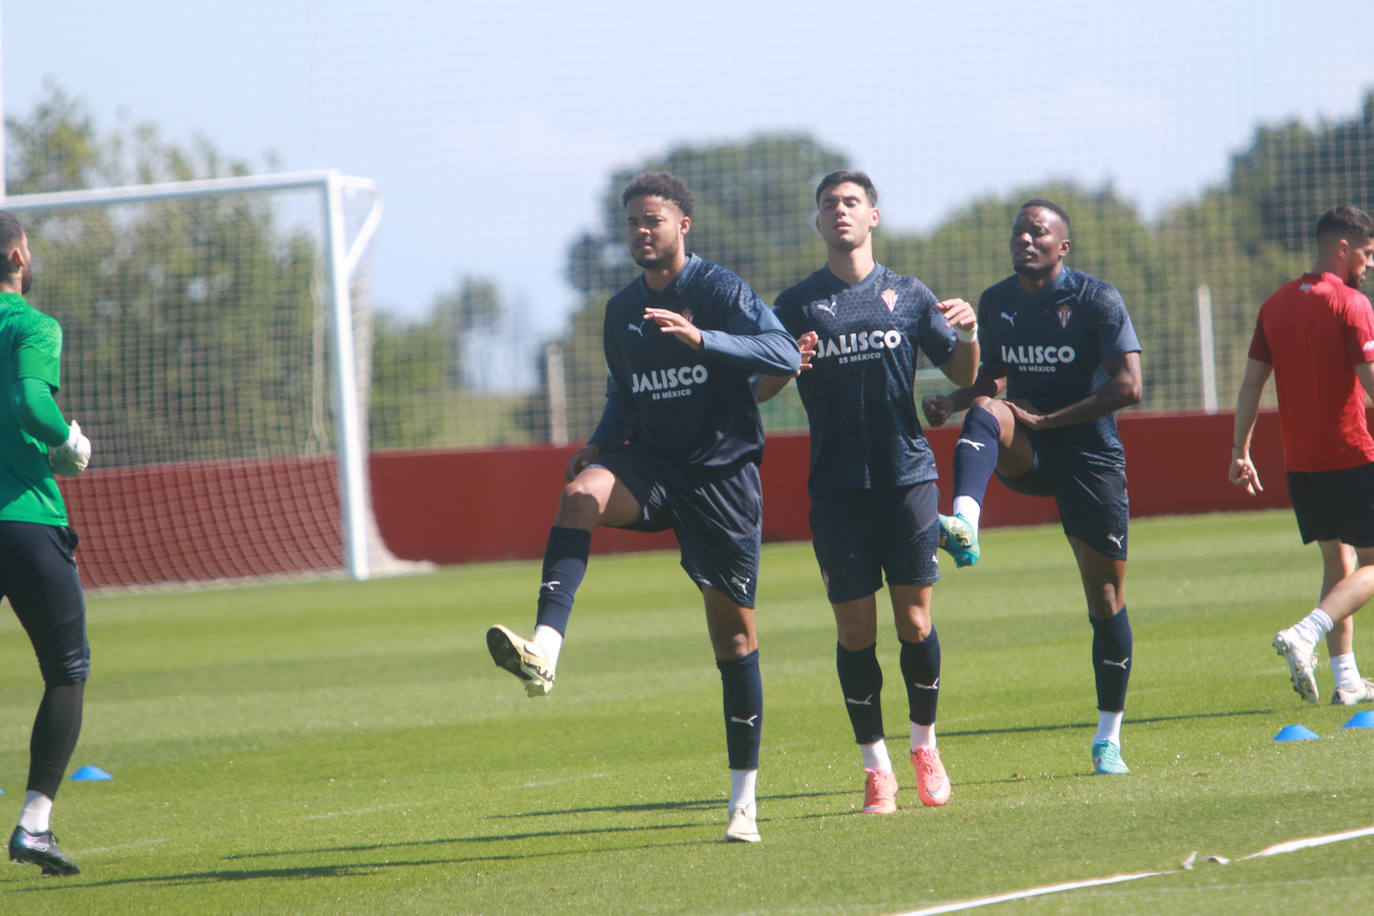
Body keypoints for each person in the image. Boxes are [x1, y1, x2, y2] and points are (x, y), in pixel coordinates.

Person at [485, 173, 800, 843]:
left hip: (722, 478)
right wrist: (598, 443)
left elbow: (780, 353)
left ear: (683, 224)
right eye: (631, 221)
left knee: (734, 640)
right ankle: (545, 649)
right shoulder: (621, 310)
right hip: (654, 466)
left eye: (652, 219)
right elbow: (625, 395)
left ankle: (744, 800)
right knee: (580, 495)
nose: (640, 231)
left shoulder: (719, 291)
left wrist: (702, 339)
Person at [759, 171, 977, 813]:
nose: (841, 212)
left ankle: (924, 746)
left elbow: (964, 374)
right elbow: (762, 388)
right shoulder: (796, 302)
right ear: (818, 223)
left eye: (852, 202)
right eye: (829, 204)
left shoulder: (909, 295)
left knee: (915, 620)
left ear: (873, 216)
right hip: (835, 488)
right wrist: (783, 365)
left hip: (907, 477)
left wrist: (967, 332)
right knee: (856, 632)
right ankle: (876, 767)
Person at [921, 199, 1142, 775]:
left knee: (1105, 601)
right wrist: (956, 400)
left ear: (1062, 246)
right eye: (1019, 231)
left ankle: (1107, 739)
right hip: (1029, 444)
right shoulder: (998, 301)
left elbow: (1129, 385)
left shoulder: (1096, 299)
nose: (1026, 239)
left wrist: (1053, 419)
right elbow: (992, 375)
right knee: (989, 409)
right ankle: (965, 522)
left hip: (1089, 455)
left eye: (1039, 232)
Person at [1231, 205, 1374, 705]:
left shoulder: (1275, 304)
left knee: (1339, 564)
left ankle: (1348, 679)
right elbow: (1370, 381)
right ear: (1343, 249)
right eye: (1367, 252)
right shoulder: (1352, 303)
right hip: (1350, 454)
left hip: (1300, 464)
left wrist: (1239, 450)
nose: (1369, 264)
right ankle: (1306, 632)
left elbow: (1251, 383)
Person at [0, 211, 94, 876]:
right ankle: (34, 825)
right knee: (66, 671)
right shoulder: (32, 326)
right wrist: (68, 443)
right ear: (17, 255)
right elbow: (34, 405)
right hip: (24, 519)